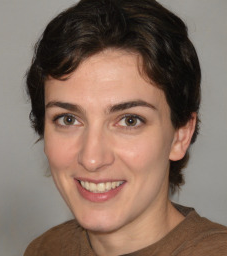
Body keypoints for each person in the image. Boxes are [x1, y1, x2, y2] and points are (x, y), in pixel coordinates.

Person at [24, 0, 227, 255]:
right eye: (68, 119)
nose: (92, 158)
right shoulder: (45, 248)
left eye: (130, 121)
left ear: (180, 135)